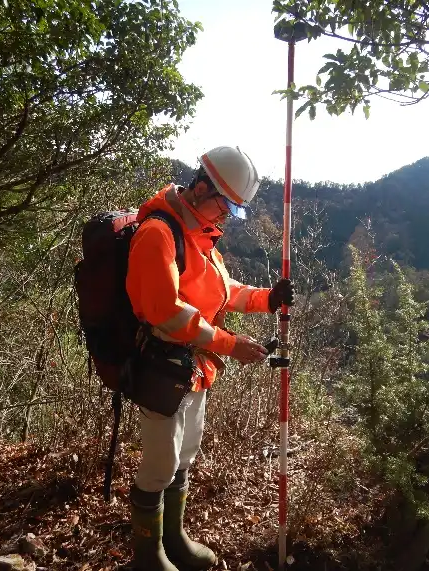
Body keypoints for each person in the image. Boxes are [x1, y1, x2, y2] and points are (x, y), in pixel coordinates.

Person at [125, 146, 294, 571]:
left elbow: (221, 290)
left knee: (185, 454)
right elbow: (166, 313)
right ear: (201, 188)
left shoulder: (197, 234)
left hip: (193, 369)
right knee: (160, 463)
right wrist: (230, 344)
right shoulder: (159, 234)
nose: (227, 219)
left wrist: (265, 299)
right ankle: (149, 556)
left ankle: (174, 538)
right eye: (227, 208)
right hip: (161, 367)